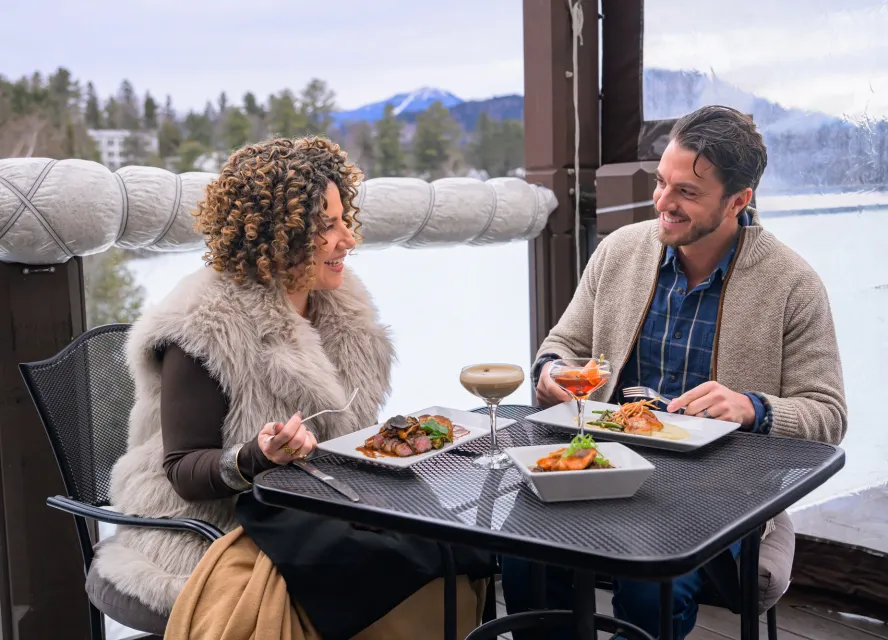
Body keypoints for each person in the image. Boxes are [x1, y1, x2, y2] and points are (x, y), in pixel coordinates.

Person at [89, 136, 491, 639]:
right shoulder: (203, 324)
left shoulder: (342, 309)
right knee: (377, 575)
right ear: (276, 234)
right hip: (210, 519)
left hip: (317, 508)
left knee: (445, 549)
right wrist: (254, 457)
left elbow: (345, 439)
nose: (348, 238)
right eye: (327, 226)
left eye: (345, 219)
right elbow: (183, 471)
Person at [503, 105, 847, 639]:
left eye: (686, 191)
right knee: (524, 553)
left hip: (717, 493)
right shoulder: (618, 252)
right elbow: (562, 347)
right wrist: (551, 374)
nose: (663, 202)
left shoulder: (793, 285)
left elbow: (828, 415)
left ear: (738, 201)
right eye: (662, 182)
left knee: (651, 588)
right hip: (602, 465)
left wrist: (752, 407)